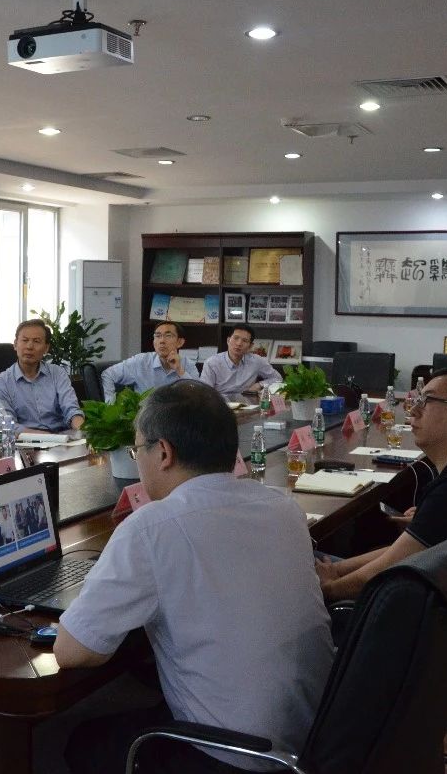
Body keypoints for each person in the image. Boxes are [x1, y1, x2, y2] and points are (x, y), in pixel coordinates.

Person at [56, 381, 333, 774]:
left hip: (234, 757)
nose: (137, 460)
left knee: (82, 742)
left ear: (163, 452)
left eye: (137, 449)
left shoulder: (152, 527)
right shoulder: (282, 507)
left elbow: (73, 652)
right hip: (317, 735)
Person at [316, 369, 447, 601]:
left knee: (300, 559)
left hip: (408, 608)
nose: (414, 410)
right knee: (318, 560)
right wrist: (335, 570)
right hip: (428, 599)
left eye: (427, 401)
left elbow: (385, 570)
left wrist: (328, 588)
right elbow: (404, 548)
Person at [0, 318, 84, 433]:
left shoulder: (57, 373)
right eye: (25, 340)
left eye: (36, 341)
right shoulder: (1, 382)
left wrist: (83, 431)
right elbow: (7, 425)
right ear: (15, 344)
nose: (29, 346)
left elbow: (72, 409)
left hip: (63, 437)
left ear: (46, 348)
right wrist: (47, 437)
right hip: (25, 440)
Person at [100, 321, 199, 402]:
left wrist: (179, 370)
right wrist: (111, 404)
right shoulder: (140, 362)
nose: (162, 341)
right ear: (153, 342)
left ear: (180, 342)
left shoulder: (188, 364)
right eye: (158, 336)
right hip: (145, 417)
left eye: (168, 336)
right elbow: (108, 374)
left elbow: (198, 395)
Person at [199, 324, 281, 400]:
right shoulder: (211, 363)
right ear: (228, 340)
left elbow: (277, 378)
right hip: (221, 404)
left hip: (247, 404)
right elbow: (205, 392)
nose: (239, 343)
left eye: (244, 341)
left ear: (250, 346)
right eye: (236, 338)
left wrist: (259, 385)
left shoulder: (256, 361)